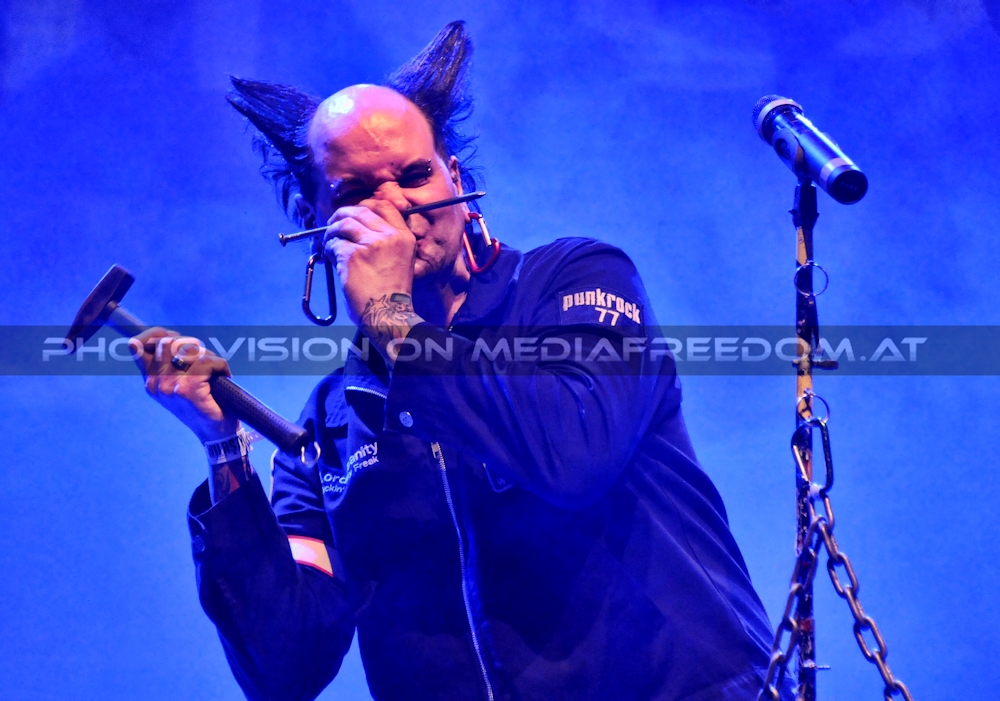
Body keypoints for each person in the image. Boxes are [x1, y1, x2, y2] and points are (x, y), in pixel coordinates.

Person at [136, 21, 791, 701]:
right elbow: (286, 667)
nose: (396, 206)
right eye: (357, 193)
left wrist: (394, 321)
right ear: (314, 218)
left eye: (414, 175)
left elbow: (573, 456)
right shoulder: (331, 422)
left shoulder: (574, 283)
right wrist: (223, 451)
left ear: (455, 174)